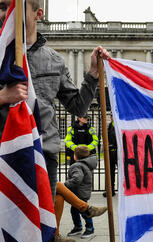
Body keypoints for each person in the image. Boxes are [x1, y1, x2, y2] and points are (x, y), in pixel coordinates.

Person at [0, 0, 110, 201]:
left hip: (43, 154)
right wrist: (2, 97)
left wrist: (93, 73)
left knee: (43, 229)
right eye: (2, 7)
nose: (5, 14)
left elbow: (77, 107)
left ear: (38, 13)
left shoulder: (55, 60)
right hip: (4, 153)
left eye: (13, 7)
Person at [65, 145, 101, 239]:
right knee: (74, 210)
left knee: (84, 211)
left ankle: (90, 228)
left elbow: (77, 179)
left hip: (79, 193)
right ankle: (78, 227)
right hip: (84, 192)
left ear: (75, 156)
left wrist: (66, 184)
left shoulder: (77, 166)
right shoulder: (85, 164)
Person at [103, 115, 117, 197]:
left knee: (122, 173)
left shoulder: (119, 125)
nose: (112, 117)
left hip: (118, 151)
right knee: (110, 173)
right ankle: (110, 190)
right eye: (111, 116)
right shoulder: (108, 126)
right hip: (110, 152)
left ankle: (124, 190)